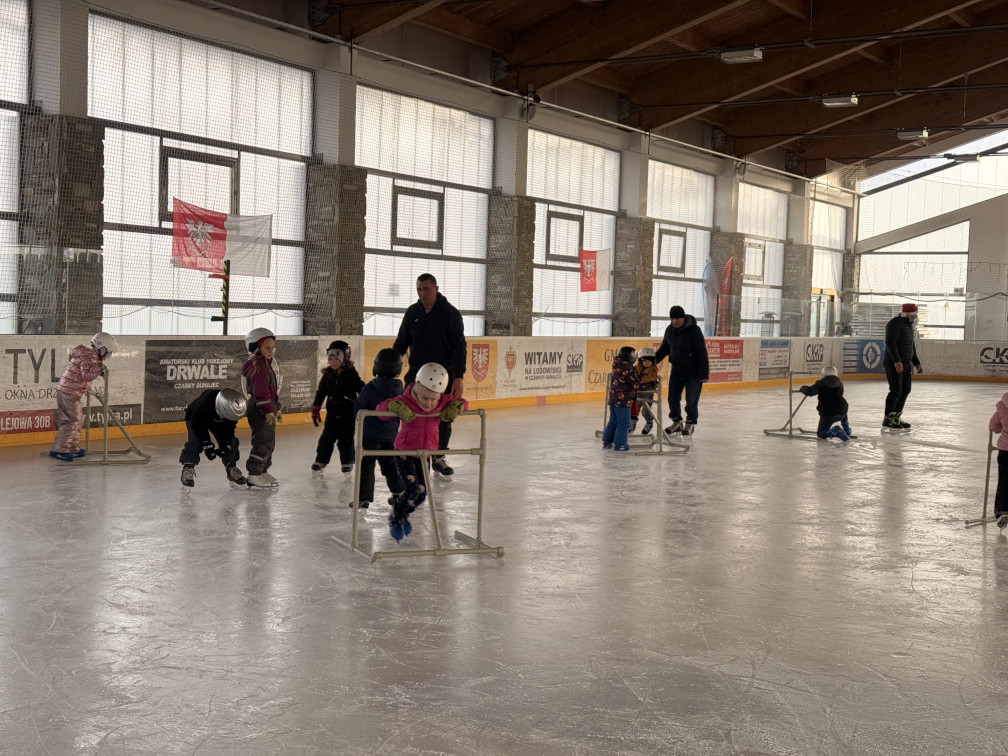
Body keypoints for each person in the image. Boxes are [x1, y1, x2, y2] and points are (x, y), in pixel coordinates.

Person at [378, 362, 466, 542]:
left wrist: (456, 407)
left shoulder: (441, 402)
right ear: (416, 388)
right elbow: (381, 410)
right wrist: (395, 407)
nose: (429, 403)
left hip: (425, 453)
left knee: (422, 493)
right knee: (412, 489)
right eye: (425, 398)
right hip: (404, 452)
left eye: (434, 399)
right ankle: (397, 517)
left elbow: (462, 402)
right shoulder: (406, 400)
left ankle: (401, 512)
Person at [393, 273, 467, 478]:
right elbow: (401, 342)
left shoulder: (450, 314)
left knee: (444, 416)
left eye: (426, 289)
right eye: (419, 289)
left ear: (436, 288)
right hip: (416, 375)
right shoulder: (412, 312)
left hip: (444, 377)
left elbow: (460, 346)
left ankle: (439, 456)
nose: (422, 293)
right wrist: (390, 365)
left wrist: (459, 376)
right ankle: (410, 455)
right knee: (411, 414)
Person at [350, 347, 405, 509]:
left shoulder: (370, 387)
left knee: (366, 465)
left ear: (376, 367)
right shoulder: (399, 388)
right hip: (391, 437)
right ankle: (398, 492)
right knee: (390, 465)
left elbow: (358, 408)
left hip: (370, 436)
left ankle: (363, 498)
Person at [49, 332, 118, 461]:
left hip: (70, 391)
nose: (108, 356)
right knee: (72, 421)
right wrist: (99, 369)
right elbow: (86, 375)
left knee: (77, 420)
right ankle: (59, 449)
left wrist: (98, 368)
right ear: (101, 349)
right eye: (108, 353)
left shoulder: (87, 355)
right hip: (69, 392)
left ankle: (71, 446)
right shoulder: (89, 356)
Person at [311, 340, 364, 475]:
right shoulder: (327, 375)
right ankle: (321, 460)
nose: (332, 361)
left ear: (344, 358)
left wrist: (364, 403)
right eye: (330, 358)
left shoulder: (351, 374)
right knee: (326, 438)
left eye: (336, 358)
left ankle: (347, 462)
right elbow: (321, 391)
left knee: (345, 439)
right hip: (332, 413)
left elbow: (361, 388)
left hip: (348, 413)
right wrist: (316, 407)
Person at [655, 305, 709, 437]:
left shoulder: (694, 330)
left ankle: (690, 423)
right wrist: (652, 361)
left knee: (691, 400)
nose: (675, 321)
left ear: (683, 318)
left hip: (693, 371)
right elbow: (664, 348)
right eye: (673, 318)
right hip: (677, 370)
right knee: (672, 398)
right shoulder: (669, 330)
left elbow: (702, 352)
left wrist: (704, 373)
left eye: (678, 318)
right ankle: (677, 422)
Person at [179, 388, 248, 488]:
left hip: (218, 421)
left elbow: (229, 429)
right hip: (195, 418)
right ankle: (188, 468)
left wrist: (224, 444)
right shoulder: (203, 406)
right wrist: (207, 445)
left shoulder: (232, 410)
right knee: (195, 442)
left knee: (231, 442)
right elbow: (198, 426)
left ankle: (231, 468)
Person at [241, 327, 281, 488]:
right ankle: (254, 474)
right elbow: (261, 392)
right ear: (255, 347)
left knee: (269, 441)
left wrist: (276, 407)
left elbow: (271, 391)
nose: (271, 351)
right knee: (262, 441)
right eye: (267, 348)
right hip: (259, 409)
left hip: (266, 407)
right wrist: (267, 410)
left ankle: (262, 470)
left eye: (272, 348)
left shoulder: (266, 364)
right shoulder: (257, 367)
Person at [883, 303, 924, 430]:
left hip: (905, 363)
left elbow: (910, 346)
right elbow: (890, 342)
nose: (915, 317)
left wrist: (916, 362)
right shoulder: (895, 324)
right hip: (894, 363)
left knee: (906, 390)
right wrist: (896, 361)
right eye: (914, 314)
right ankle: (888, 418)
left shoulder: (909, 327)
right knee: (896, 390)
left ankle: (896, 416)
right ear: (907, 314)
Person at [799, 365, 852, 442]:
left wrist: (803, 388)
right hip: (842, 410)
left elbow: (810, 392)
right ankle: (847, 430)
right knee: (841, 409)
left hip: (828, 412)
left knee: (821, 433)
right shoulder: (839, 383)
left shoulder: (821, 383)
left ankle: (834, 431)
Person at [601, 346, 638, 452]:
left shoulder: (617, 365)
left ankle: (607, 441)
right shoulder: (629, 368)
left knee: (613, 420)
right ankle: (620, 444)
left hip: (613, 398)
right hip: (623, 399)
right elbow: (635, 382)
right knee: (624, 422)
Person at [989, 390, 1008, 532]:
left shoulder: (1002, 406)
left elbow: (994, 426)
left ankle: (1002, 512)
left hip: (1005, 452)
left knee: (1004, 482)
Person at [631, 346, 659, 435]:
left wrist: (638, 379)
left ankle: (649, 422)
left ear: (653, 361)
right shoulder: (637, 368)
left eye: (649, 360)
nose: (647, 362)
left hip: (648, 393)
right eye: (645, 360)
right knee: (635, 408)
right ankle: (632, 423)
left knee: (646, 411)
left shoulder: (653, 369)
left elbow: (649, 378)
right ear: (640, 361)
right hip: (637, 392)